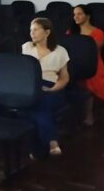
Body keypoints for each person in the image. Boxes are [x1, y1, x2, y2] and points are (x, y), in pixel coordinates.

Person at [22, 18, 70, 158]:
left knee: (39, 104)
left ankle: (36, 147)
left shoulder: (60, 51)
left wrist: (53, 89)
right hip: (30, 86)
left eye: (36, 29)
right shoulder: (26, 47)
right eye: (31, 29)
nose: (32, 33)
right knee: (35, 105)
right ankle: (51, 141)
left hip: (51, 86)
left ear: (47, 32)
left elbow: (64, 77)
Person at [71, 4, 104, 125]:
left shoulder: (98, 32)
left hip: (93, 63)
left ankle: (89, 114)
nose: (75, 17)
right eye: (74, 14)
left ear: (87, 16)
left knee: (90, 79)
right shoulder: (71, 31)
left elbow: (94, 51)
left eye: (79, 14)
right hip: (73, 62)